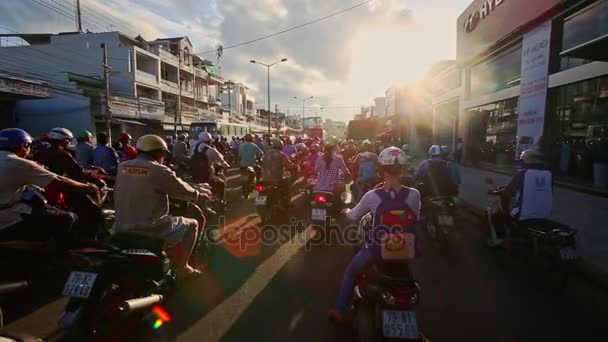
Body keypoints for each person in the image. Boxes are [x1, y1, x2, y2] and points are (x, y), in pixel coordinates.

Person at [328, 147, 421, 324]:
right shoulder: (414, 195)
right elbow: (416, 217)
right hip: (405, 250)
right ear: (403, 169)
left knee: (349, 274)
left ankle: (340, 311)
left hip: (377, 251)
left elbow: (354, 216)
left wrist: (345, 211)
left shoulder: (372, 196)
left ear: (380, 169)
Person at [113, 135, 210, 277]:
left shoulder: (123, 166)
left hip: (121, 226)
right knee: (193, 224)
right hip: (149, 228)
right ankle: (184, 266)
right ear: (159, 153)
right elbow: (181, 190)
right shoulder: (158, 169)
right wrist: (198, 196)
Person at [0, 128, 98, 250]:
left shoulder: (39, 153)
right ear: (24, 146)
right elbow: (61, 179)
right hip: (7, 215)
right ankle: (62, 254)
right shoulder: (19, 162)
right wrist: (87, 186)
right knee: (66, 217)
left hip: (35, 191)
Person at [487, 149, 553, 246]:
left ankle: (499, 239)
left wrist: (494, 192)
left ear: (525, 161)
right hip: (545, 214)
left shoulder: (523, 174)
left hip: (524, 213)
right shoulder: (548, 174)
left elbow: (507, 192)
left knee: (496, 217)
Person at [190, 132, 230, 202]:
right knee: (221, 183)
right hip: (208, 177)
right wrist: (226, 166)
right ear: (209, 140)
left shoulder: (194, 149)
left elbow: (190, 157)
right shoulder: (211, 150)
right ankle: (220, 202)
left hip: (195, 177)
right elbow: (222, 161)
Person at [314, 136, 352, 205]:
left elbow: (315, 171)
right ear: (335, 147)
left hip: (319, 188)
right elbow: (345, 172)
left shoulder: (319, 158)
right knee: (340, 203)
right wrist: (349, 176)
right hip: (333, 189)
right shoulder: (338, 159)